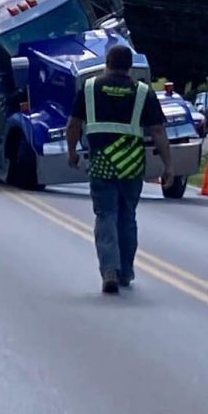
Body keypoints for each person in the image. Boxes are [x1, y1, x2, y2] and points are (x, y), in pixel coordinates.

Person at [65, 44, 173, 294]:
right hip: (131, 167)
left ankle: (109, 271)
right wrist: (168, 165)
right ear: (130, 67)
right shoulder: (143, 92)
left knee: (105, 216)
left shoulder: (90, 88)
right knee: (127, 217)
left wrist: (72, 152)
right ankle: (125, 271)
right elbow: (158, 131)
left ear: (106, 63)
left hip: (102, 165)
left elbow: (73, 125)